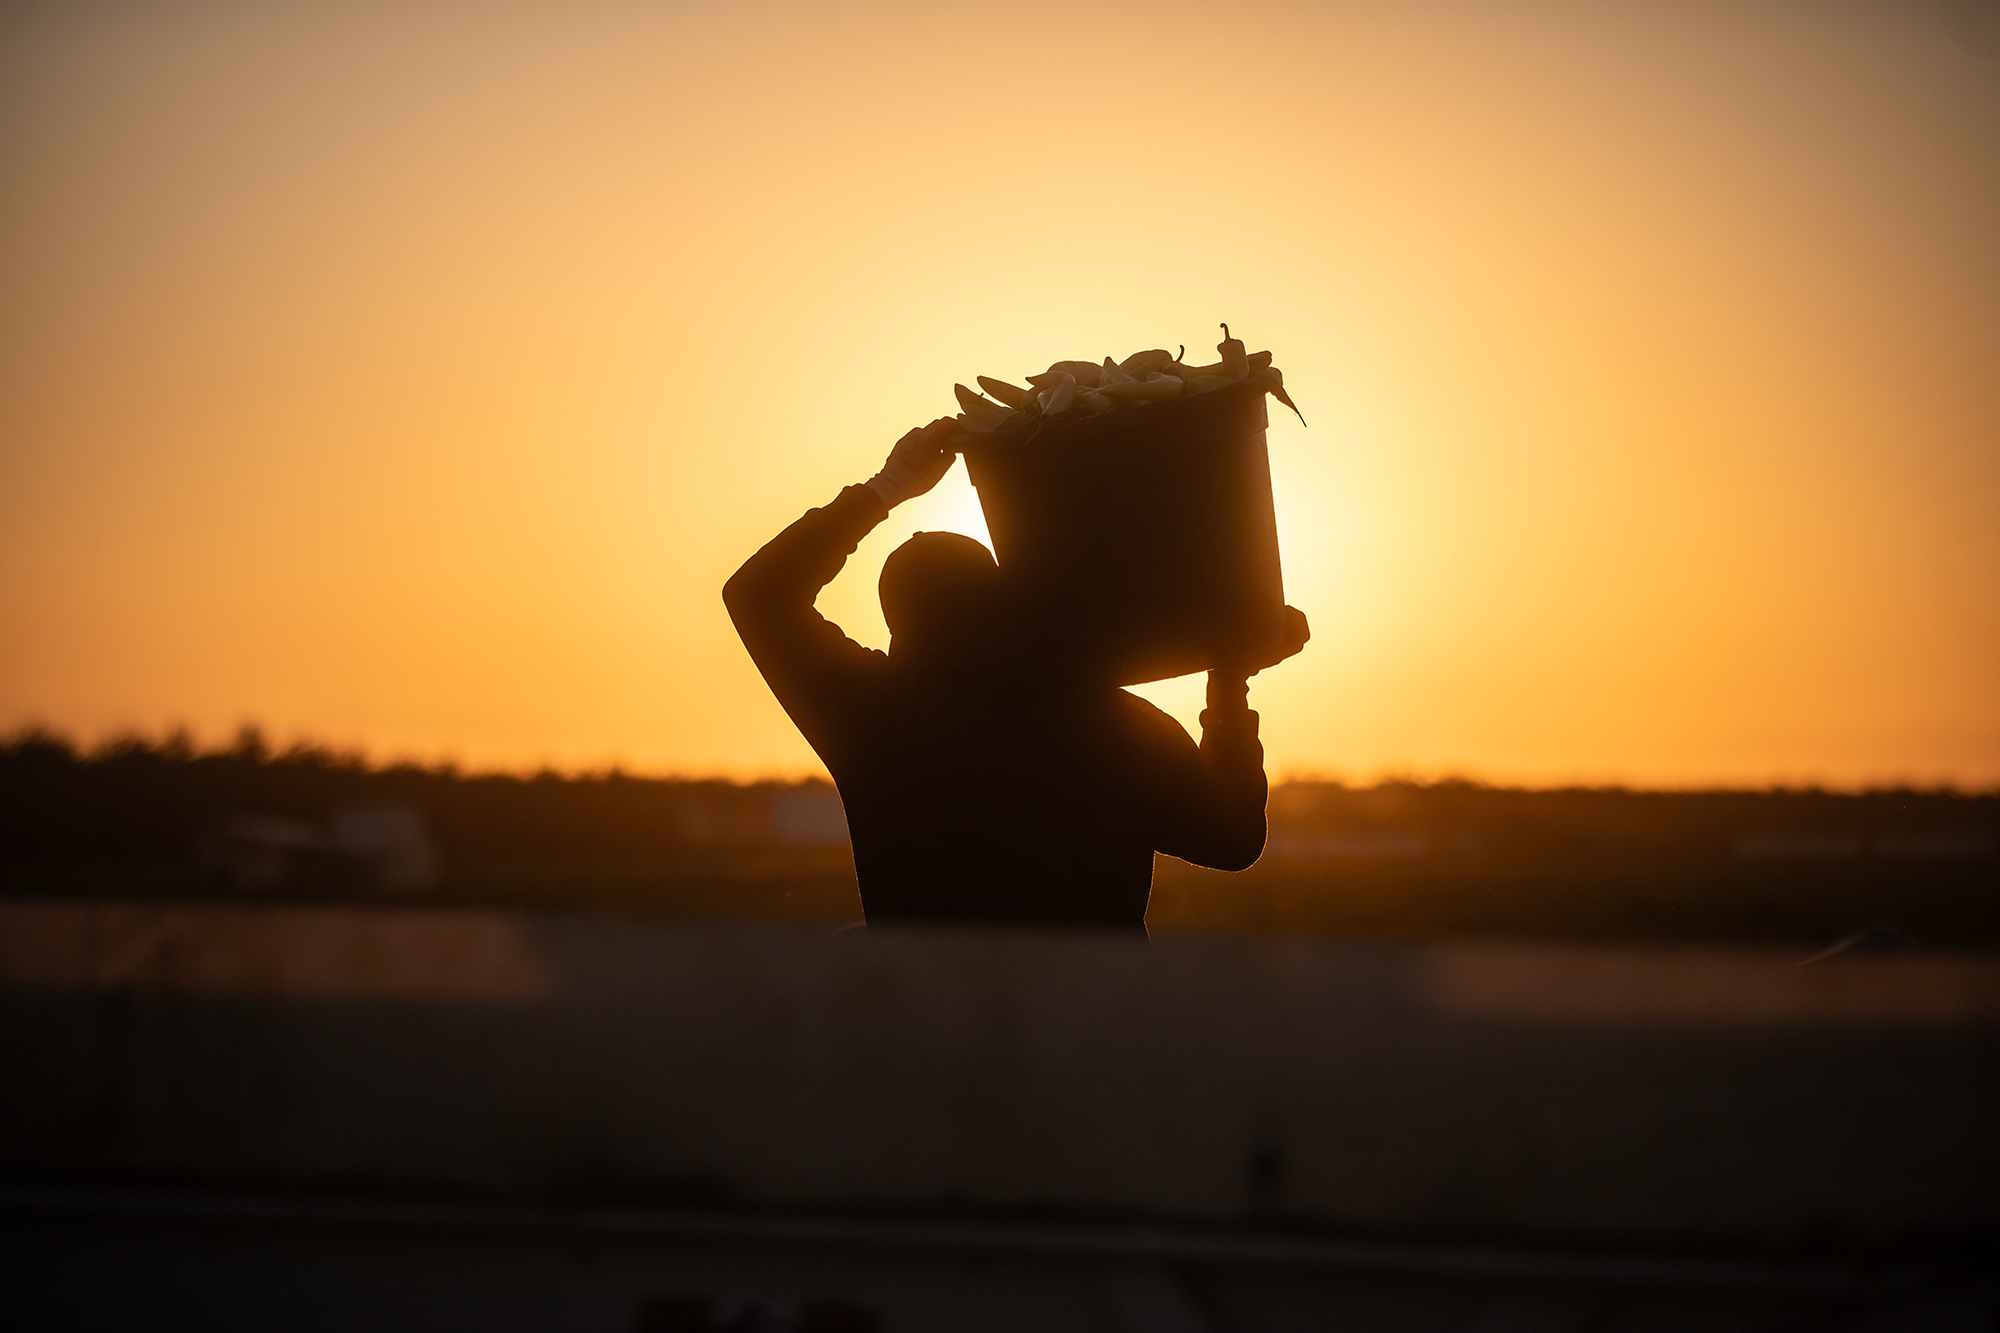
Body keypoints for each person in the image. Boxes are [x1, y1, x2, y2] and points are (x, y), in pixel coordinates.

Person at [723, 417, 1308, 930]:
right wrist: (1229, 682)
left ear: (901, 631)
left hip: (938, 1028)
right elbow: (1232, 840)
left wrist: (889, 486)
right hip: (1093, 1033)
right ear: (1005, 604)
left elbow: (757, 596)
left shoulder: (878, 719)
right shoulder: (1115, 720)